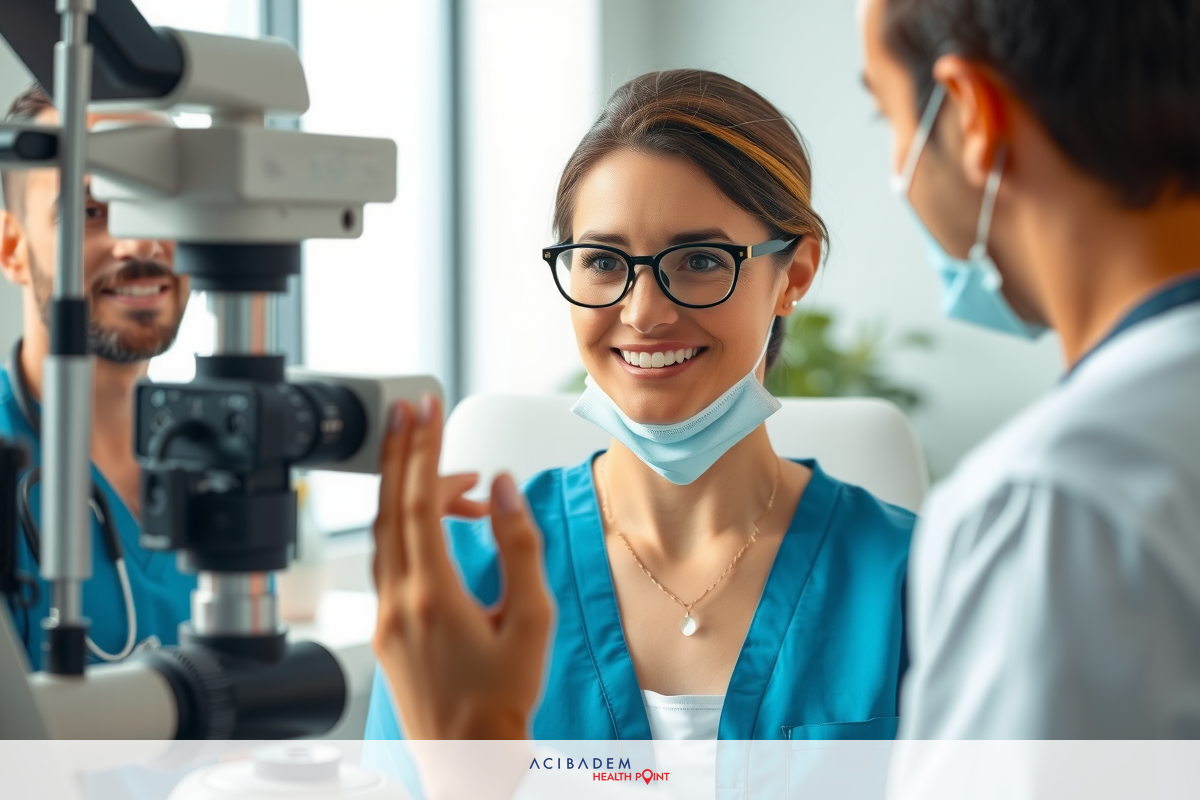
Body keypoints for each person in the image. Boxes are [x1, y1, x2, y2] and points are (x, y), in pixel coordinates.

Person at [366, 69, 914, 745]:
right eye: (601, 260)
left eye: (701, 261)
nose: (643, 312)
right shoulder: (461, 584)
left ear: (793, 275)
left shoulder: (913, 583)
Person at [0, 84, 195, 669]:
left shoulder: (217, 461)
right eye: (89, 210)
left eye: (157, 200)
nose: (143, 242)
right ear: (12, 248)